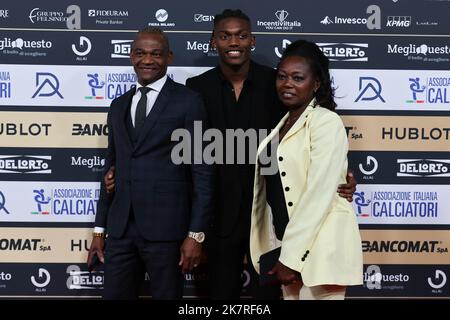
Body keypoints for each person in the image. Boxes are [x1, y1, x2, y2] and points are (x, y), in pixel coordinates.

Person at [103, 9, 357, 300]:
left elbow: (309, 132)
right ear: (213, 42)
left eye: (241, 35)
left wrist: (343, 175)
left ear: (252, 40)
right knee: (220, 295)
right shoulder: (197, 88)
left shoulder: (276, 83)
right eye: (224, 36)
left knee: (273, 297)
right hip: (218, 214)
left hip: (270, 213)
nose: (233, 42)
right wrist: (127, 175)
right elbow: (183, 154)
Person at [86, 27, 214, 299]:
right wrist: (100, 230)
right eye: (140, 53)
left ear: (169, 57)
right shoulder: (118, 105)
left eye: (156, 54)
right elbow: (110, 169)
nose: (147, 60)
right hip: (121, 230)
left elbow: (202, 172)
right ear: (131, 56)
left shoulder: (189, 102)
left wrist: (196, 234)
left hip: (167, 231)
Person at [250, 39, 363, 300]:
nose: (287, 83)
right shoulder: (282, 123)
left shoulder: (326, 121)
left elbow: (319, 193)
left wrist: (291, 258)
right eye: (282, 77)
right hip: (286, 245)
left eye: (298, 77)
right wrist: (284, 252)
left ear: (316, 83)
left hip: (319, 249)